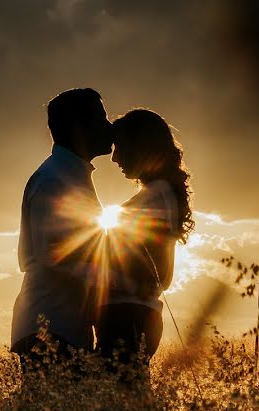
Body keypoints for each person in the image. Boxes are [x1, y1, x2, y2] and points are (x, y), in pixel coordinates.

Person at [11, 88, 115, 373]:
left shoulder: (65, 175)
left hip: (58, 327)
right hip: (52, 330)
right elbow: (53, 254)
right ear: (78, 128)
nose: (110, 127)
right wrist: (115, 281)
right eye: (101, 119)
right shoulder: (55, 181)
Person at [96, 109, 195, 382]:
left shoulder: (154, 199)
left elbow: (153, 270)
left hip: (127, 316)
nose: (114, 158)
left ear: (142, 148)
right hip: (135, 315)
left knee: (117, 403)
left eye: (121, 147)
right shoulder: (159, 194)